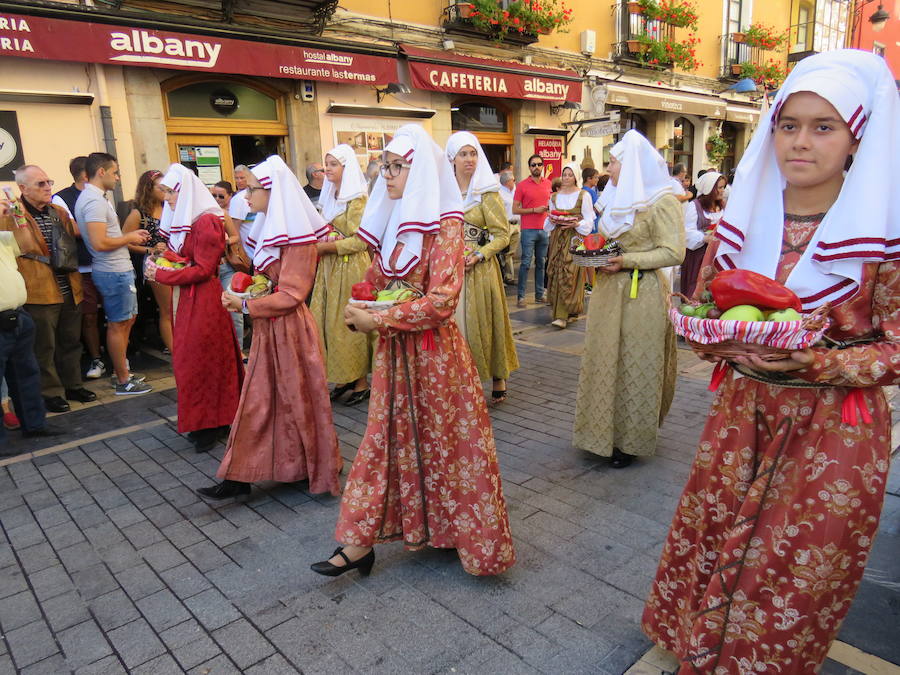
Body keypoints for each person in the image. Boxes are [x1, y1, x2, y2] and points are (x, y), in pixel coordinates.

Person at [643, 49, 900, 674]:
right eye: (789, 125)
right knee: (712, 537)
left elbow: (895, 345)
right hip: (740, 419)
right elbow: (710, 310)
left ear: (857, 137)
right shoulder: (746, 219)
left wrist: (820, 366)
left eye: (823, 127)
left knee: (790, 572)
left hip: (833, 433)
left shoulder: (884, 235)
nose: (800, 143)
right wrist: (714, 341)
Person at [311, 124, 515, 578]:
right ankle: (359, 544)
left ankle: (458, 537)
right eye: (384, 166)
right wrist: (365, 303)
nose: (386, 174)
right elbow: (388, 286)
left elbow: (442, 302)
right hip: (396, 358)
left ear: (419, 170)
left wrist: (376, 318)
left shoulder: (447, 224)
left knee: (447, 447)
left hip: (436, 358)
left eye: (396, 166)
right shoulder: (394, 223)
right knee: (387, 443)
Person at [199, 155, 341, 500]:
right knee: (268, 400)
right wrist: (247, 293)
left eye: (252, 190)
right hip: (272, 327)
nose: (246, 198)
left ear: (272, 192)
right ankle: (254, 472)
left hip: (290, 330)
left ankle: (280, 470)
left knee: (286, 400)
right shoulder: (275, 230)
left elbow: (292, 294)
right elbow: (272, 285)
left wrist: (245, 303)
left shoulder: (299, 239)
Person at [573, 130, 684, 468]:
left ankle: (629, 442)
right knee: (605, 359)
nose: (609, 168)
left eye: (614, 162)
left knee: (636, 362)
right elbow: (607, 241)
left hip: (644, 294)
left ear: (631, 164)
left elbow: (674, 251)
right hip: (609, 293)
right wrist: (591, 253)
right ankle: (601, 433)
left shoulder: (663, 201)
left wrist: (628, 261)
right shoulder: (615, 198)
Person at [144, 165, 244, 452]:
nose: (166, 198)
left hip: (204, 298)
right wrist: (168, 259)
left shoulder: (205, 221)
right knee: (196, 360)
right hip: (192, 297)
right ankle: (207, 420)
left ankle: (213, 421)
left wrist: (162, 274)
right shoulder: (194, 219)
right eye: (164, 192)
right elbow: (191, 259)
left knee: (203, 360)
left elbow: (203, 269)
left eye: (169, 192)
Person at [6, 165, 95, 412]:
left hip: (68, 283)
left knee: (70, 340)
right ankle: (50, 392)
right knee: (44, 346)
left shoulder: (58, 212)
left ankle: (73, 384)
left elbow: (72, 241)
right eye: (40, 184)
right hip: (38, 287)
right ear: (23, 188)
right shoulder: (12, 214)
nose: (47, 188)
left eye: (48, 182)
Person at [445, 131, 519, 403]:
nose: (469, 159)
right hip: (450, 269)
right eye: (463, 154)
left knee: (486, 323)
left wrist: (479, 253)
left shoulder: (488, 192)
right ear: (452, 158)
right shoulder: (444, 191)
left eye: (473, 153)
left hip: (480, 269)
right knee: (455, 327)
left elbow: (502, 234)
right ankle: (461, 380)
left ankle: (497, 375)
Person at [75, 152, 152, 395]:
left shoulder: (96, 198)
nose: (118, 177)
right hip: (112, 271)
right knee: (119, 324)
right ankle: (122, 380)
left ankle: (123, 372)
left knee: (126, 321)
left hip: (116, 269)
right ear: (101, 172)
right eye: (115, 172)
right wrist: (129, 236)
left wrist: (127, 238)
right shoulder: (94, 201)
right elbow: (99, 243)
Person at [310, 144, 372, 406]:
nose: (328, 169)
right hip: (329, 268)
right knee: (328, 323)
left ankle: (360, 381)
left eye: (333, 164)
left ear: (346, 167)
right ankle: (341, 376)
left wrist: (326, 246)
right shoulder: (328, 196)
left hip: (350, 267)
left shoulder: (357, 198)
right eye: (326, 164)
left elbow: (361, 240)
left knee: (348, 322)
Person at [0, 198, 60, 443]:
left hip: (18, 315)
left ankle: (34, 425)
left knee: (27, 374)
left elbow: (27, 245)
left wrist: (20, 217)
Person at [53, 156, 105, 380]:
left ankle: (119, 355)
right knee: (89, 315)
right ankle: (96, 358)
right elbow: (73, 229)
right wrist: (99, 230)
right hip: (81, 268)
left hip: (104, 263)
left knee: (115, 315)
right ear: (86, 175)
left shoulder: (100, 195)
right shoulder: (61, 198)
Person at [122, 170, 173, 355]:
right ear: (148, 189)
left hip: (174, 262)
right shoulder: (139, 214)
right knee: (167, 309)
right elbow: (125, 241)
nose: (165, 191)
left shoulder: (170, 208)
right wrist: (149, 250)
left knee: (178, 308)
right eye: (161, 187)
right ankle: (174, 350)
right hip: (154, 264)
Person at [544, 164, 594, 329]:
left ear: (575, 177)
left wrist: (576, 224)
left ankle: (564, 314)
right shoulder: (554, 197)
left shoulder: (583, 195)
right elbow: (549, 219)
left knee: (570, 273)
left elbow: (589, 220)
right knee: (556, 271)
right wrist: (551, 221)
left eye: (569, 175)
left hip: (574, 238)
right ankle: (564, 312)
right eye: (564, 174)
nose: (566, 177)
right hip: (558, 238)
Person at [212, 180, 248, 355]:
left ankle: (239, 352)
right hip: (208, 271)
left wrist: (223, 241)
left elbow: (235, 237)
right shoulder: (201, 215)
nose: (217, 199)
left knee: (234, 311)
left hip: (225, 266)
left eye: (221, 196)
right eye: (213, 196)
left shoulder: (223, 214)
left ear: (229, 197)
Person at [512, 154, 552, 308]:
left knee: (541, 263)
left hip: (544, 229)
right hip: (528, 229)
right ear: (529, 167)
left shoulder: (548, 183)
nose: (536, 167)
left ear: (543, 166)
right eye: (533, 165)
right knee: (526, 263)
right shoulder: (522, 185)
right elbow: (515, 209)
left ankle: (539, 294)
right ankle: (521, 297)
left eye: (539, 164)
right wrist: (535, 210)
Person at [680, 171, 725, 299]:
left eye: (723, 187)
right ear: (710, 189)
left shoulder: (723, 206)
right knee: (695, 286)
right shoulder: (695, 206)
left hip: (716, 256)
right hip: (698, 256)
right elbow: (686, 232)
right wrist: (705, 238)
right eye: (719, 188)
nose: (722, 191)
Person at [497, 170, 520, 285]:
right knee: (503, 252)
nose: (515, 181)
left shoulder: (516, 190)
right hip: (506, 225)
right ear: (508, 181)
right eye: (513, 180)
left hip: (517, 224)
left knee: (511, 252)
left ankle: (509, 276)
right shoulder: (499, 193)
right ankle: (503, 277)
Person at [229, 165, 255, 258]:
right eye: (236, 178)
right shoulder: (238, 199)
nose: (239, 181)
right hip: (248, 252)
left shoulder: (254, 194)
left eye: (242, 178)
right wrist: (240, 252)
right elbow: (234, 229)